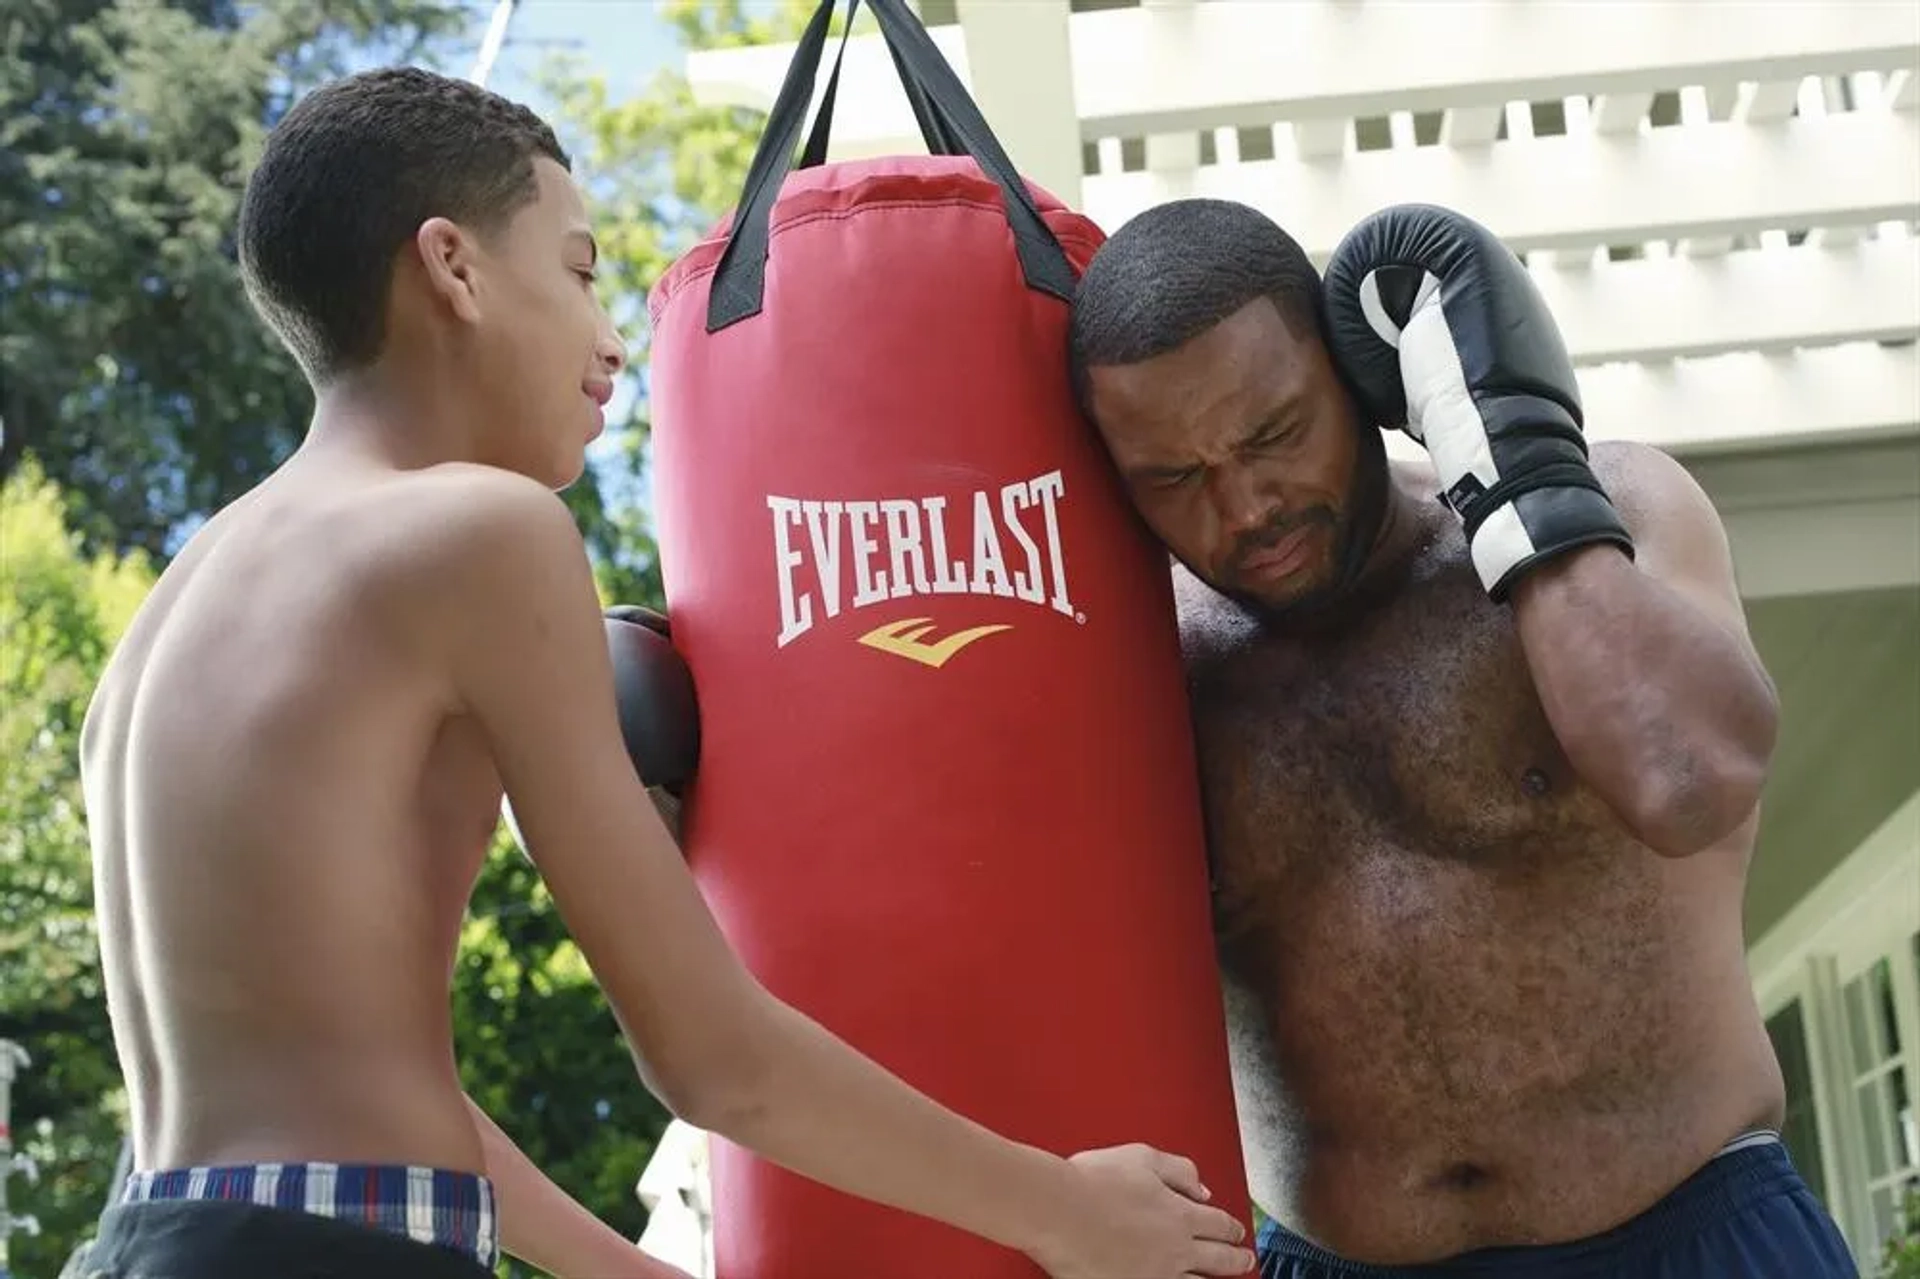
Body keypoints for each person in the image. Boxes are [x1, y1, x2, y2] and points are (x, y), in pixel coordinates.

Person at [73, 67, 1256, 1279]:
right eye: (580, 270)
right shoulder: (475, 532)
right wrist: (1063, 1209)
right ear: (454, 267)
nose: (610, 342)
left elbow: (363, 1099)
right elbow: (705, 1053)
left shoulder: (180, 605)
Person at [1063, 198, 1857, 1278]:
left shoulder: (1616, 507)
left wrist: (1521, 490)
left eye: (1274, 434)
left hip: (1692, 1235)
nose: (1245, 506)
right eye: (1175, 477)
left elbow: (1688, 782)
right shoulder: (1149, 669)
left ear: (1359, 373)